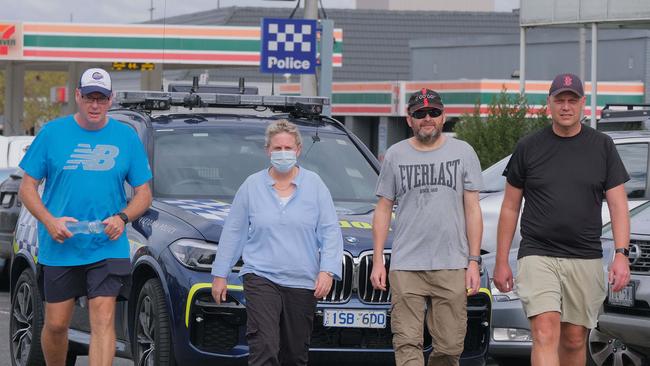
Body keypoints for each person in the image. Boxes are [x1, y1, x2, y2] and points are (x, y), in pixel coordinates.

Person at [492, 73, 632, 366]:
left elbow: (619, 205)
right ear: (549, 104)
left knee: (574, 339)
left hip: (585, 257)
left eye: (572, 100)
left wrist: (621, 254)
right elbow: (509, 207)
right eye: (560, 100)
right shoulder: (529, 147)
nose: (566, 106)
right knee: (544, 330)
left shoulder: (602, 146)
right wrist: (502, 259)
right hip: (538, 254)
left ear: (583, 104)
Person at [18, 67, 153, 366]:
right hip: (60, 244)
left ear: (111, 99)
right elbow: (27, 189)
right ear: (77, 96)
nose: (95, 105)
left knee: (103, 321)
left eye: (101, 99)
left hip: (107, 243)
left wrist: (122, 217)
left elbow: (144, 194)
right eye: (90, 97)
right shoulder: (53, 133)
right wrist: (50, 221)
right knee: (55, 325)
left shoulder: (126, 138)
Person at [211, 119, 343, 366]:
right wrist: (220, 274)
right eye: (277, 148)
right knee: (265, 347)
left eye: (288, 148)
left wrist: (327, 270)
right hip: (261, 276)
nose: (283, 153)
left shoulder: (315, 186)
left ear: (299, 150)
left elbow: (330, 232)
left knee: (294, 355)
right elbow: (234, 232)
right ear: (267, 151)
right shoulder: (251, 186)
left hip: (302, 281)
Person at [370, 89, 484, 366]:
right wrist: (377, 261)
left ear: (443, 116)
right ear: (409, 119)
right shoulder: (395, 155)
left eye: (433, 112)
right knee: (407, 343)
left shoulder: (463, 152)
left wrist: (473, 260)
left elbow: (473, 209)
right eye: (420, 114)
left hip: (452, 263)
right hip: (406, 265)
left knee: (449, 346)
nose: (427, 118)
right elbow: (383, 208)